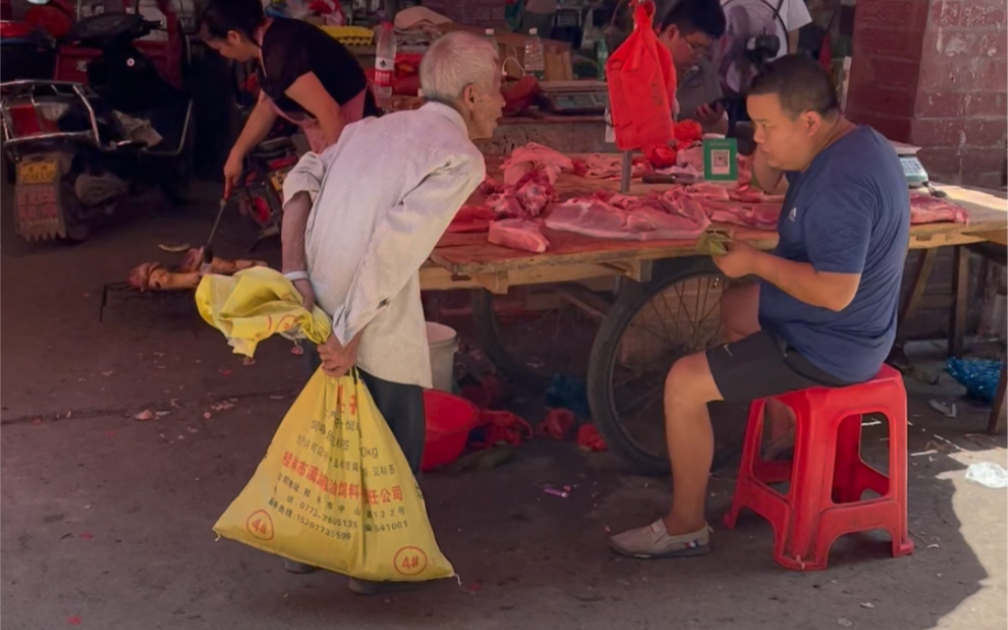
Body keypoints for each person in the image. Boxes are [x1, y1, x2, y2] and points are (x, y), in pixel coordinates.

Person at [609, 54, 910, 559]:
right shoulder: (848, 143)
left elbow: (835, 292)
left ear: (810, 122)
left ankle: (686, 525)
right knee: (735, 308)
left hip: (831, 342)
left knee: (682, 383)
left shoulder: (842, 186)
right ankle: (779, 429)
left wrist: (754, 261)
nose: (759, 139)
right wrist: (768, 137)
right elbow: (769, 180)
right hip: (849, 325)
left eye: (767, 127)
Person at [278, 31, 505, 592]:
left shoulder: (368, 129)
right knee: (388, 434)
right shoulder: (459, 155)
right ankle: (372, 566)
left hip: (319, 295)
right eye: (500, 91)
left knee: (329, 423)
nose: (504, 103)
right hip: (365, 305)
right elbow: (396, 244)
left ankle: (310, 542)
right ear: (472, 96)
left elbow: (302, 175)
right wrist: (353, 327)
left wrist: (296, 273)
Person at [198, 0, 380, 197]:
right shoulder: (266, 38)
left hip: (350, 130)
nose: (223, 55)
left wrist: (337, 179)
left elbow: (330, 113)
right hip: (336, 131)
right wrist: (237, 154)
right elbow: (266, 107)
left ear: (233, 37)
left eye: (219, 49)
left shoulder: (278, 55)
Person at [656, 0, 728, 134]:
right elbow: (614, 136)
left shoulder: (705, 71)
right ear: (672, 32)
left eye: (705, 49)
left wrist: (712, 122)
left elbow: (723, 131)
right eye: (695, 47)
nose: (699, 56)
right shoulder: (636, 66)